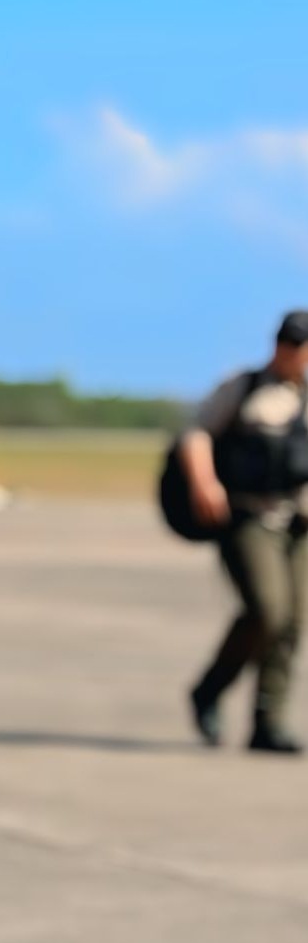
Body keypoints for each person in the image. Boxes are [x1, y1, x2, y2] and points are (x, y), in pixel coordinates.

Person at [179, 311, 308, 754]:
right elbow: (196, 434)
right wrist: (204, 483)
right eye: (289, 344)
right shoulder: (245, 387)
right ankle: (210, 689)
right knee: (267, 610)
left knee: (292, 622)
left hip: (298, 521)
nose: (294, 353)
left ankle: (268, 723)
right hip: (249, 518)